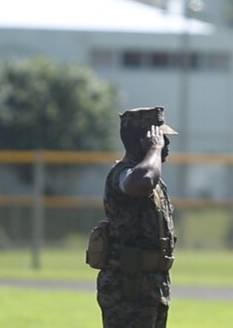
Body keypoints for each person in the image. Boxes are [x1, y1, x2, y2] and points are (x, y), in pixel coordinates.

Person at [96, 106, 178, 328]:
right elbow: (140, 182)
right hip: (128, 288)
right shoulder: (122, 174)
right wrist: (154, 149)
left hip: (152, 286)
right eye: (161, 137)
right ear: (143, 141)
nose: (166, 144)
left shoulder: (154, 179)